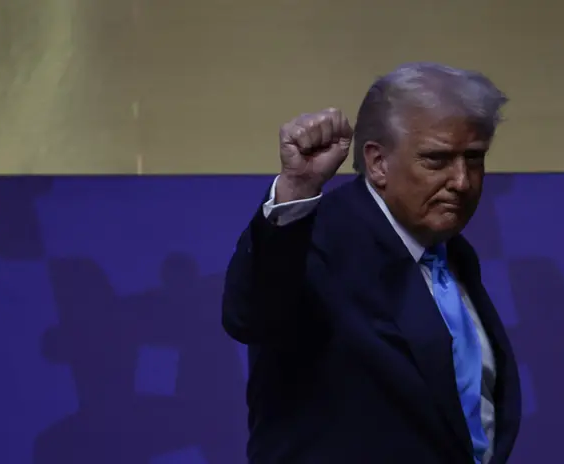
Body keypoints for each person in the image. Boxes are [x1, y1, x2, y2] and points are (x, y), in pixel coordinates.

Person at [222, 62, 522, 464]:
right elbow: (252, 315)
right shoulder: (317, 239)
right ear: (378, 163)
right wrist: (296, 190)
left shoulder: (453, 254)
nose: (462, 181)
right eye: (437, 160)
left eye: (474, 158)